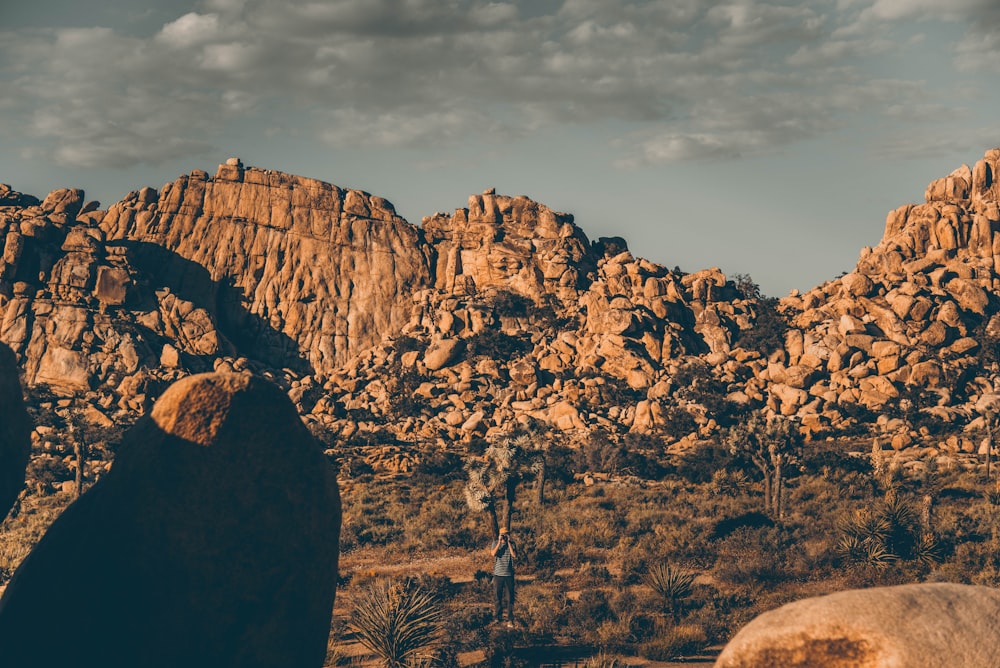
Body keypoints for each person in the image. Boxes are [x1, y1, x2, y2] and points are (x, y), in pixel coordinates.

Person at [491, 526, 517, 626]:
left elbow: (514, 555)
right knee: (497, 597)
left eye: (507, 534)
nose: (505, 537)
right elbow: (493, 553)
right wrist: (499, 542)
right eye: (503, 534)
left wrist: (509, 543)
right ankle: (497, 617)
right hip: (498, 575)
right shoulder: (495, 543)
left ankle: (510, 618)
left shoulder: (512, 544)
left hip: (509, 575)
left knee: (510, 598)